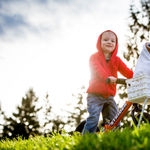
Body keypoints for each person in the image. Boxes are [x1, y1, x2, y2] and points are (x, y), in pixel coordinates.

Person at [83, 30, 133, 134]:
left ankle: (112, 138)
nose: (109, 42)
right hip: (95, 95)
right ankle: (86, 139)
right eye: (106, 40)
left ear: (116, 44)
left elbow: (127, 71)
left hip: (109, 97)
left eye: (112, 41)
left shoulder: (117, 60)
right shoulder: (94, 57)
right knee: (94, 118)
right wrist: (107, 77)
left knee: (115, 119)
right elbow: (98, 69)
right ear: (99, 43)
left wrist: (137, 78)